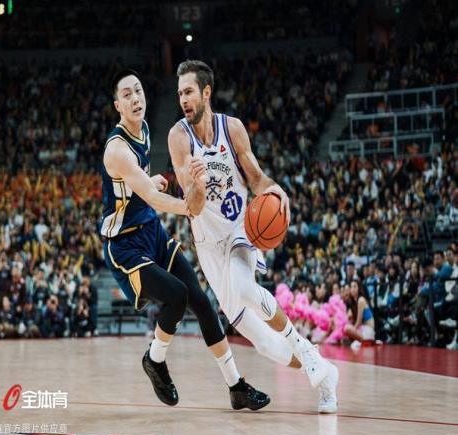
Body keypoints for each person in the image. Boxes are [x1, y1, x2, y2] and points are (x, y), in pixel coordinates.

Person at [168, 60, 338, 413]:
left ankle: (307, 351)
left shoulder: (232, 129)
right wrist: (196, 184)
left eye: (189, 92)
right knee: (265, 345)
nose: (183, 99)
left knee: (246, 288)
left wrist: (276, 189)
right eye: (180, 93)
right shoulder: (178, 137)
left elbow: (257, 178)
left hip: (239, 231)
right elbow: (192, 206)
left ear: (206, 92)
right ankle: (325, 373)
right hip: (208, 247)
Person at [99, 68, 269, 410]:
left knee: (202, 303)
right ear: (117, 105)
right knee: (176, 296)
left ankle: (236, 386)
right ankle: (154, 359)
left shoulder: (144, 129)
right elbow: (151, 198)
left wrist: (150, 180)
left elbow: (137, 185)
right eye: (127, 95)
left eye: (138, 90)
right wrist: (189, 207)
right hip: (125, 246)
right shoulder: (116, 149)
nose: (135, 98)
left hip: (152, 232)